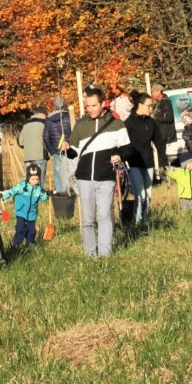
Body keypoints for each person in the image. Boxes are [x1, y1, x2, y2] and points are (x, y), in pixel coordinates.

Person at [64, 86, 130, 258]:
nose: (90, 109)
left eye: (93, 106)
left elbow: (128, 149)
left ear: (102, 104)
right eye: (87, 106)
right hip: (84, 178)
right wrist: (67, 148)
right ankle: (90, 255)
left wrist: (119, 155)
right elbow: (73, 153)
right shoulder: (80, 125)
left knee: (104, 215)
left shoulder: (116, 124)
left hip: (106, 177)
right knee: (87, 220)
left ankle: (105, 255)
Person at [123, 92, 165, 223]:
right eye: (149, 106)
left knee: (149, 194)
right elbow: (123, 144)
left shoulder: (151, 122)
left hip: (148, 163)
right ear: (140, 105)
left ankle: (146, 220)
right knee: (140, 195)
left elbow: (159, 141)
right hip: (133, 164)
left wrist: (163, 161)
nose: (151, 108)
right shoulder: (128, 123)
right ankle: (137, 222)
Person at [0, 164, 49, 246]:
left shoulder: (39, 189)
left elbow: (42, 198)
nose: (35, 181)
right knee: (21, 228)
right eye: (33, 179)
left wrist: (47, 195)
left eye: (37, 179)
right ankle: (16, 243)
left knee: (32, 230)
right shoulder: (22, 187)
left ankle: (30, 242)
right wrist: (3, 196)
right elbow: (12, 191)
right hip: (21, 212)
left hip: (32, 214)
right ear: (28, 178)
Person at [44, 96, 72, 193]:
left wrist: (51, 150)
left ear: (54, 105)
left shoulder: (48, 120)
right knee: (70, 170)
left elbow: (46, 137)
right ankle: (69, 191)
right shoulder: (71, 117)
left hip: (56, 150)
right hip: (70, 149)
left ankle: (60, 192)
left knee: (58, 172)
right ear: (64, 104)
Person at [18, 107, 48, 181]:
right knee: (40, 179)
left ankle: (30, 192)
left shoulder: (25, 125)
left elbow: (20, 142)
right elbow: (47, 140)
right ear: (43, 115)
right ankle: (39, 192)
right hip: (40, 155)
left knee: (29, 180)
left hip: (28, 157)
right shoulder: (44, 124)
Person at [150, 84, 177, 149]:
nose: (152, 94)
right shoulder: (160, 102)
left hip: (165, 136)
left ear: (158, 91)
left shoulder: (165, 102)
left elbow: (170, 118)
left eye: (153, 92)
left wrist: (155, 118)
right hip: (161, 135)